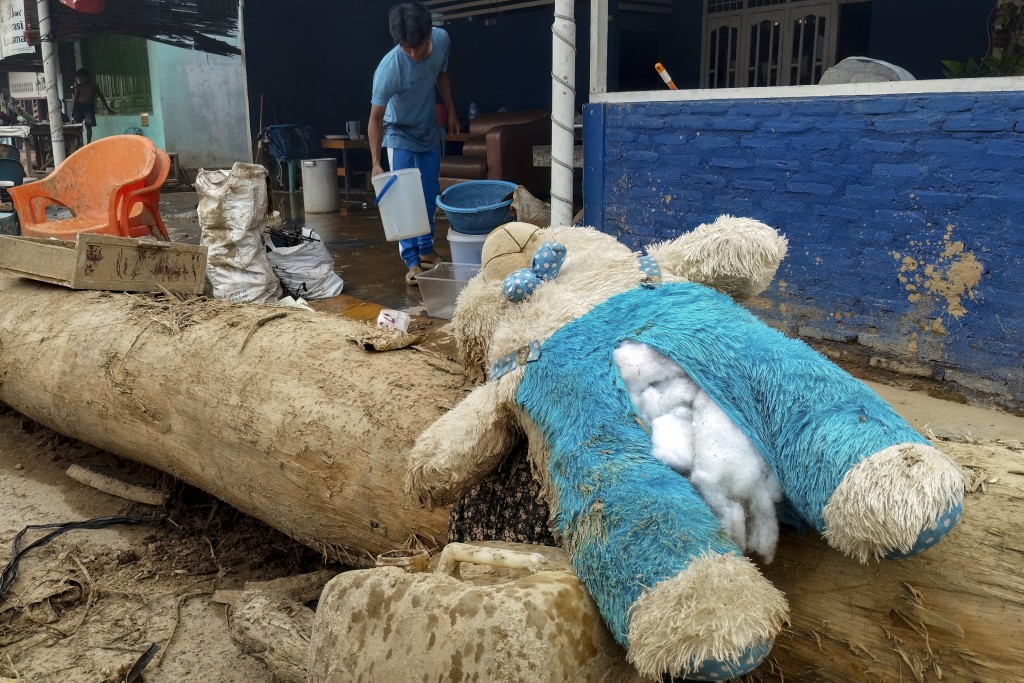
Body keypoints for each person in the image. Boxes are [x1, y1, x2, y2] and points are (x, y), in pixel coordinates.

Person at [369, 1, 460, 286]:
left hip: (428, 129)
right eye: (406, 47)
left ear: (429, 35)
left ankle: (426, 249)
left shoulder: (442, 40)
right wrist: (375, 162)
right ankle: (411, 260)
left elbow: (442, 75)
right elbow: (375, 119)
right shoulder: (389, 68)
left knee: (429, 192)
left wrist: (452, 112)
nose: (412, 53)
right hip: (398, 133)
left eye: (417, 47)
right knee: (404, 197)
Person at [71, 69, 114, 144]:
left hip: (88, 107)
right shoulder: (79, 87)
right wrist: (73, 111)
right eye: (79, 78)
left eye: (81, 78)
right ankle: (77, 143)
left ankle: (88, 143)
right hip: (80, 107)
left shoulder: (93, 86)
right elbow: (75, 99)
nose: (80, 80)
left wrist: (108, 108)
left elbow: (101, 97)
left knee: (88, 126)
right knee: (76, 126)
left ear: (86, 77)